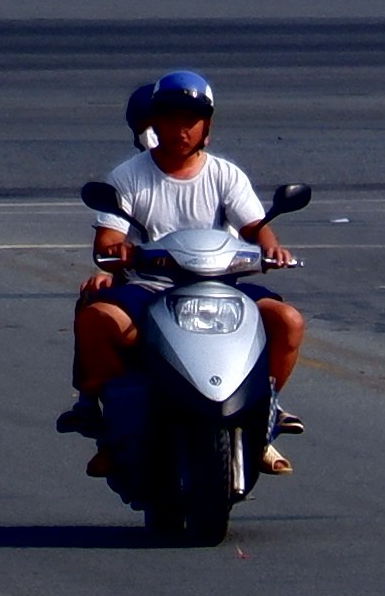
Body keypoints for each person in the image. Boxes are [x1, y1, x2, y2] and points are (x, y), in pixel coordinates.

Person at [67, 69, 298, 478]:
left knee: (286, 321)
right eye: (172, 118)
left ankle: (265, 416)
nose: (181, 129)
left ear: (206, 125)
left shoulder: (225, 175)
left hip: (219, 286)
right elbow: (106, 241)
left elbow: (255, 227)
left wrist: (272, 249)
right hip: (148, 289)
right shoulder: (128, 176)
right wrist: (117, 252)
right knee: (97, 319)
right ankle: (116, 425)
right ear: (155, 122)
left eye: (191, 119)